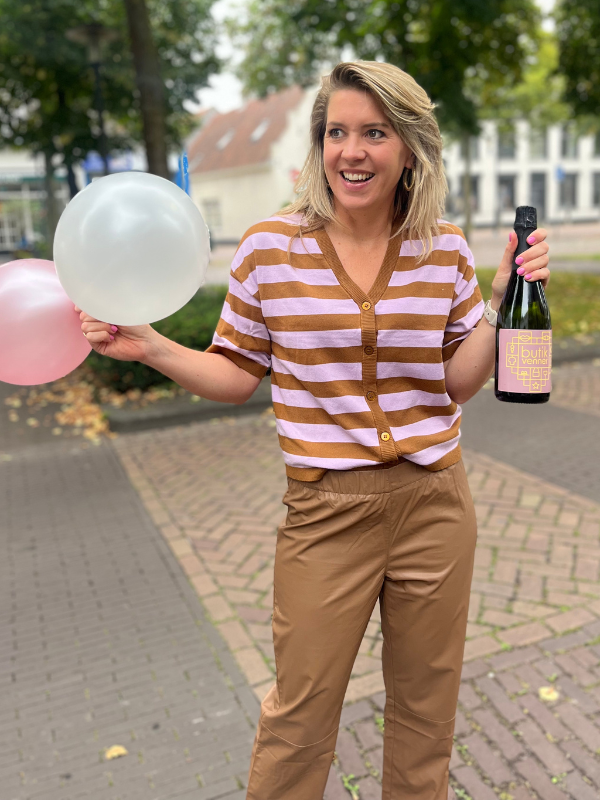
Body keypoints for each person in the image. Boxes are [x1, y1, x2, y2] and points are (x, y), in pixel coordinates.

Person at [78, 61, 550, 800]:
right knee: (300, 716)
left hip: (436, 504)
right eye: (336, 132)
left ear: (409, 148)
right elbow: (237, 374)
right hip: (326, 513)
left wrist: (499, 302)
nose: (351, 152)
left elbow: (456, 382)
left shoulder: (444, 247)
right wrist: (153, 347)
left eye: (375, 133)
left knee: (427, 711)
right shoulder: (271, 247)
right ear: (318, 144)